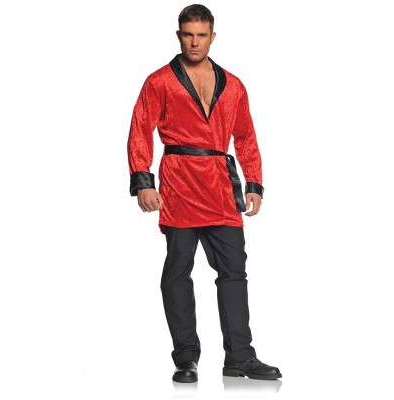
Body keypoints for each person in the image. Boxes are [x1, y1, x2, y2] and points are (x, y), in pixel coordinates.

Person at [127, 4, 282, 383]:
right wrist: (143, 181)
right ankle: (186, 358)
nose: (194, 42)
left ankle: (240, 357)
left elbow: (245, 135)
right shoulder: (160, 81)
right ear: (178, 35)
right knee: (178, 271)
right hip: (179, 184)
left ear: (212, 37)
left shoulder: (234, 85)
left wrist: (254, 183)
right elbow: (140, 128)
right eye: (187, 34)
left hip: (220, 186)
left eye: (201, 35)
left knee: (234, 272)